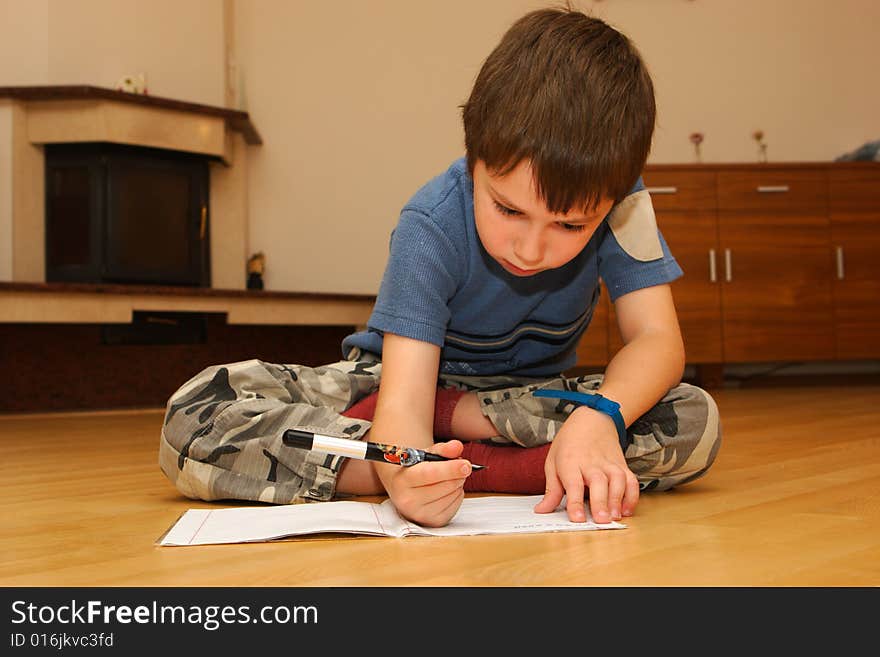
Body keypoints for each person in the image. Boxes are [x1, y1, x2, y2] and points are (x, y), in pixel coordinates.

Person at [159, 6, 721, 528]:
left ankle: (448, 457)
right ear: (474, 158)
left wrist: (598, 419)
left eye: (570, 226)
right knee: (195, 413)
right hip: (395, 385)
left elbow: (657, 340)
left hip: (527, 399)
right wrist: (404, 465)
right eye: (507, 209)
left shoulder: (625, 206)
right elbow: (403, 402)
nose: (529, 249)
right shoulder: (431, 223)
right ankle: (496, 466)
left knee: (694, 418)